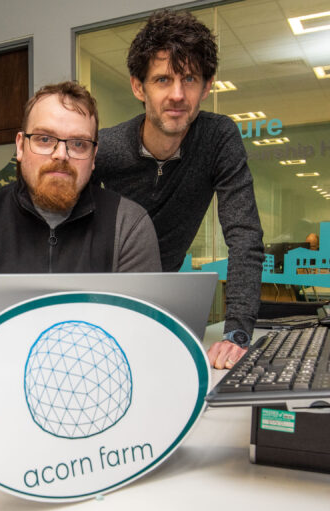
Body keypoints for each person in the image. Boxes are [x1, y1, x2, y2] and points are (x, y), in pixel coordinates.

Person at [91, 10, 264, 370]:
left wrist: (237, 334)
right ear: (138, 86)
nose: (177, 94)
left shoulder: (218, 138)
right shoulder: (105, 148)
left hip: (165, 305)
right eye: (162, 79)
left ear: (207, 85)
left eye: (189, 78)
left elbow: (244, 235)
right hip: (99, 303)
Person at [0, 81, 160, 275]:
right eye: (44, 139)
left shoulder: (128, 226)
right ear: (20, 146)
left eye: (78, 144)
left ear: (93, 157)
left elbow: (138, 326)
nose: (61, 155)